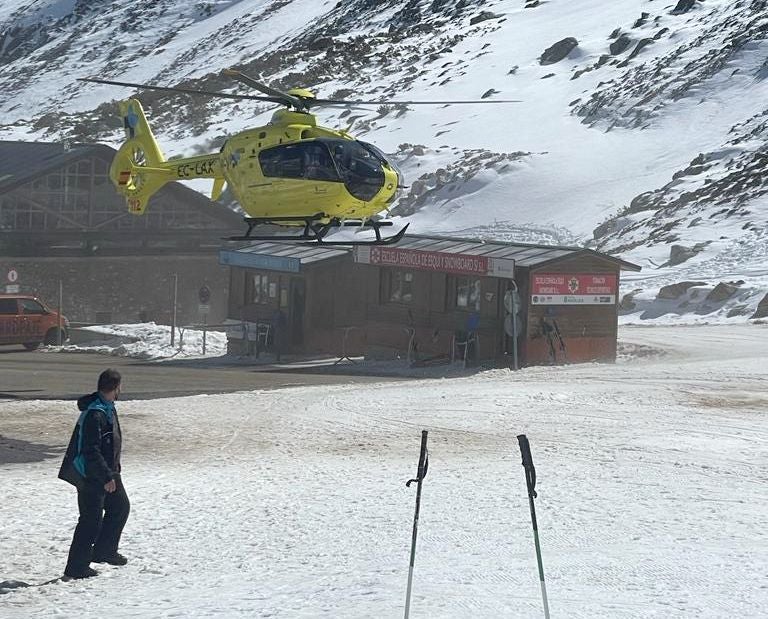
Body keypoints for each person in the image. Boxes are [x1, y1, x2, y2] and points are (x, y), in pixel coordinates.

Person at [58, 368, 130, 579]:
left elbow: (109, 442)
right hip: (92, 474)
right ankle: (76, 567)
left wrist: (113, 468)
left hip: (108, 470)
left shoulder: (106, 407)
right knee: (90, 520)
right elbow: (91, 450)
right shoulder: (95, 413)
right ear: (116, 388)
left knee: (120, 507)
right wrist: (106, 476)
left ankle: (104, 550)